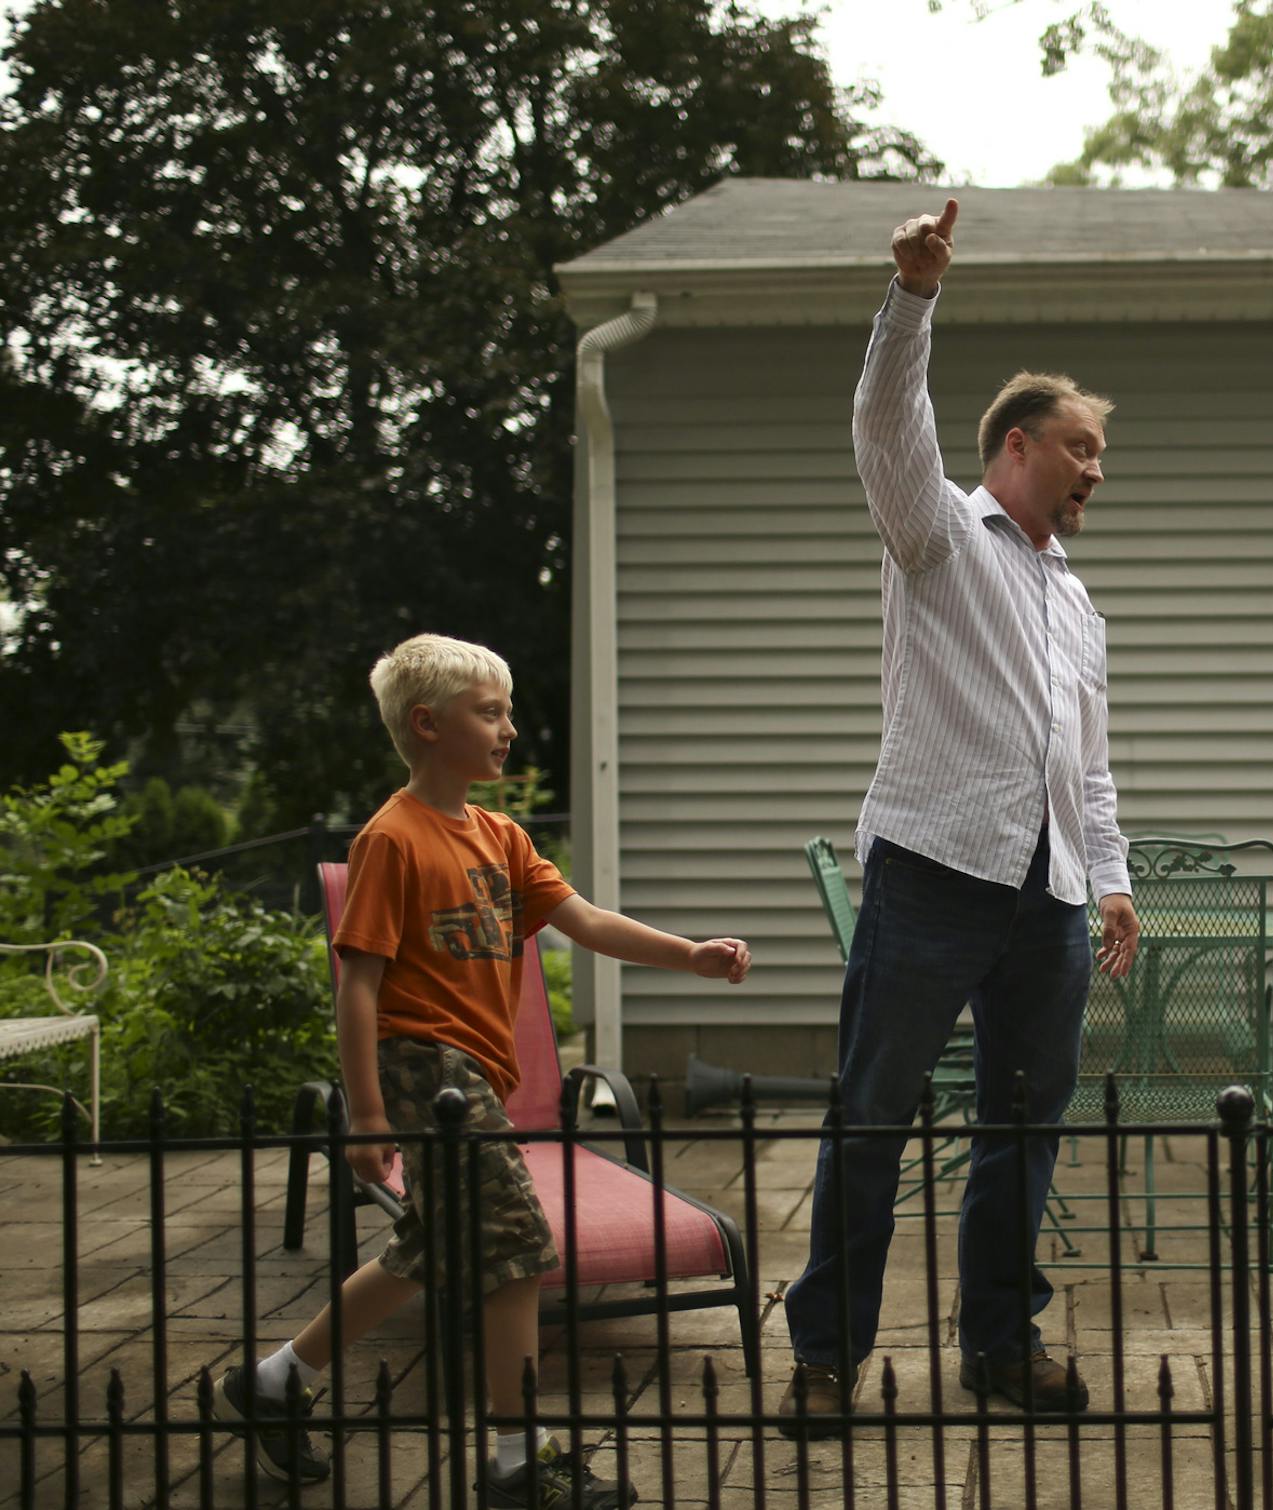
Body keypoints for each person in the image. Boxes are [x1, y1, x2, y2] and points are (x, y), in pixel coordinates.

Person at [215, 634, 752, 1506]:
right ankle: (516, 1459)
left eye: (507, 711)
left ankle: (275, 1381)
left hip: (475, 1075)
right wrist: (366, 1113)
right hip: (426, 1066)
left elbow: (584, 919)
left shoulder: (500, 836)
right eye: (490, 712)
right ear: (428, 725)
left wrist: (688, 955)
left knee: (429, 1248)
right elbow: (358, 985)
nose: (509, 729)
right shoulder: (391, 839)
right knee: (516, 1253)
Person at [778, 199, 1141, 1439]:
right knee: (873, 1118)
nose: (1097, 470)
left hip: (1046, 900)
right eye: (1082, 447)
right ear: (1018, 445)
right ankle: (824, 1354)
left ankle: (999, 1338)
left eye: (1100, 455)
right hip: (931, 876)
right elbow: (887, 424)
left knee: (1022, 1129)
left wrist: (1113, 873)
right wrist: (914, 297)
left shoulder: (1078, 603)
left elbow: (1084, 759)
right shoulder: (935, 532)